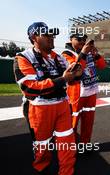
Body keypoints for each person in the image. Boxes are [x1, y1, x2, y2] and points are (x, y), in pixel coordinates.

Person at [13, 22, 82, 175]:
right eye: (46, 34)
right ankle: (41, 169)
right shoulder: (23, 57)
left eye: (52, 34)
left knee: (67, 145)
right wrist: (63, 80)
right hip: (39, 109)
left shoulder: (59, 58)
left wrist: (76, 75)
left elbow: (71, 80)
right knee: (42, 147)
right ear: (33, 38)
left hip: (62, 105)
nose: (51, 37)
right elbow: (30, 88)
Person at [62, 30, 106, 146]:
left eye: (84, 39)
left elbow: (102, 66)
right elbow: (75, 70)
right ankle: (70, 147)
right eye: (79, 39)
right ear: (71, 39)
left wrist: (96, 54)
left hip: (91, 93)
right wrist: (84, 53)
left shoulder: (91, 52)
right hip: (76, 94)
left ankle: (85, 145)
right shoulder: (66, 54)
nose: (82, 41)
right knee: (73, 122)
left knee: (88, 122)